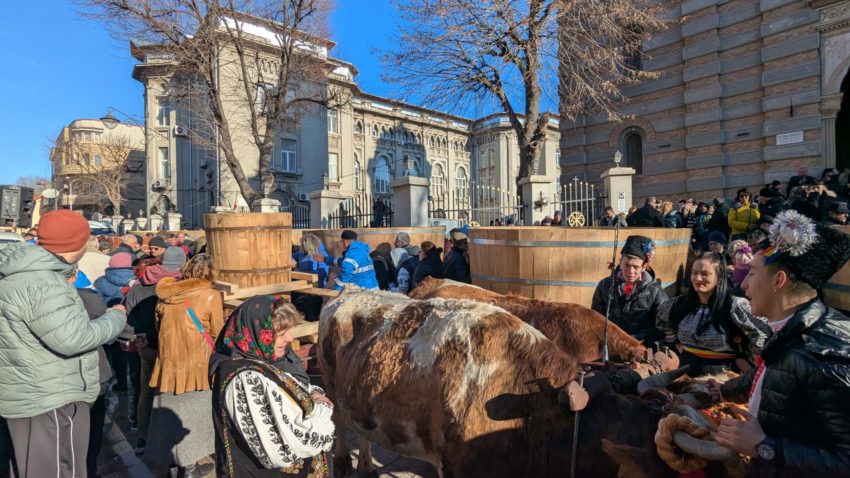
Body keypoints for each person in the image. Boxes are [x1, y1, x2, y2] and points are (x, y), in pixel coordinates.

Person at [707, 210, 850, 477]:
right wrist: (723, 391)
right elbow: (776, 376)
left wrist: (763, 447)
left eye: (752, 273)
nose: (743, 284)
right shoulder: (792, 331)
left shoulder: (825, 355)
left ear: (778, 280)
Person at [0, 210, 126, 478]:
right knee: (60, 469)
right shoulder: (44, 281)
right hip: (51, 397)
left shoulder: (22, 273)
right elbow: (73, 339)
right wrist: (115, 317)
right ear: (77, 243)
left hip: (28, 392)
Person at [209, 296, 334, 477]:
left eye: (289, 331)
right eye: (281, 334)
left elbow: (293, 385)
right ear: (258, 333)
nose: (290, 338)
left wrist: (314, 392)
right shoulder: (244, 379)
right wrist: (323, 413)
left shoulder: (267, 357)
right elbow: (284, 450)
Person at [145, 253, 224, 477]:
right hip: (197, 366)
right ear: (211, 273)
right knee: (193, 418)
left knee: (170, 416)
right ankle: (189, 468)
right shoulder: (210, 296)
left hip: (168, 365)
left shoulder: (166, 295)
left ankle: (173, 463)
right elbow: (217, 332)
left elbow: (159, 328)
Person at [657, 252, 769, 376]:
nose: (698, 279)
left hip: (724, 373)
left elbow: (762, 332)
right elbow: (662, 321)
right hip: (685, 370)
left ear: (719, 276)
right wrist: (676, 343)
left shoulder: (734, 306)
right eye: (694, 273)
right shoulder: (678, 304)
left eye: (704, 274)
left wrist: (747, 360)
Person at [124, 247, 186, 455]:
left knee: (147, 391)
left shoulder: (141, 283)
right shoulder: (180, 285)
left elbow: (128, 313)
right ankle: (170, 445)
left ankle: (143, 438)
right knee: (172, 393)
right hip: (173, 348)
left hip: (146, 347)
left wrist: (139, 335)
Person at [69, 265, 115, 478]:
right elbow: (110, 333)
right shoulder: (88, 297)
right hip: (92, 374)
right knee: (92, 425)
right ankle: (89, 468)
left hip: (55, 382)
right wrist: (116, 318)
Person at [590, 235, 667, 346]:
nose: (630, 271)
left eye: (636, 267)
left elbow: (663, 326)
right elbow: (595, 318)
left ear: (644, 266)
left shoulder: (655, 292)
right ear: (620, 262)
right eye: (626, 265)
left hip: (641, 347)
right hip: (610, 345)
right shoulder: (605, 286)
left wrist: (639, 337)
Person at [314, 230, 379, 290]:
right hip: (373, 287)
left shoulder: (352, 254)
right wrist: (325, 259)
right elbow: (344, 262)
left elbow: (346, 274)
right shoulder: (361, 250)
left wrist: (337, 288)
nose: (342, 244)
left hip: (361, 290)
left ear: (346, 242)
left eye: (342, 242)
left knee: (329, 289)